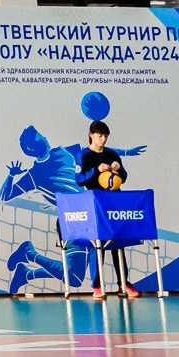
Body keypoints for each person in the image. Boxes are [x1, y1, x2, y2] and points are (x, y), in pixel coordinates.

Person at [75, 120, 140, 300]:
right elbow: (79, 179)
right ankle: (97, 285)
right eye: (99, 136)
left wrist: (118, 170)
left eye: (105, 136)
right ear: (91, 135)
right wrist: (96, 170)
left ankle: (123, 283)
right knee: (97, 243)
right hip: (95, 203)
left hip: (114, 202)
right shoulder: (84, 155)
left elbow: (123, 177)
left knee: (118, 242)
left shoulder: (111, 154)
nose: (103, 139)